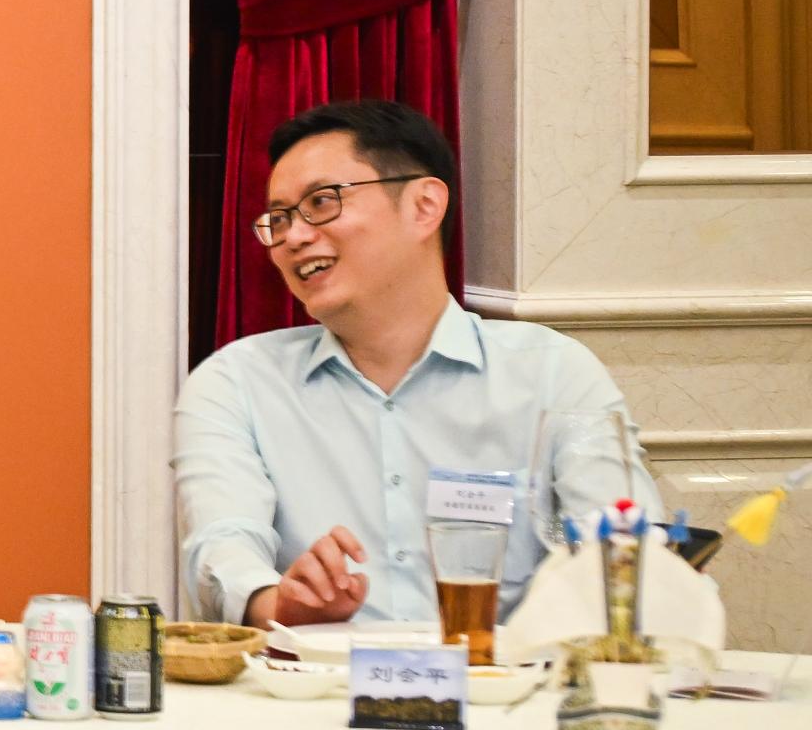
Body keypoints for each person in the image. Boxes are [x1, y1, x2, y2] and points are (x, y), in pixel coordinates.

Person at [174, 100, 652, 634]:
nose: (294, 237)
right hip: (316, 698)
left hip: (509, 695)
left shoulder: (552, 375)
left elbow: (628, 560)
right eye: (279, 218)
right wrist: (280, 604)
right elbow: (222, 547)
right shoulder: (238, 382)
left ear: (424, 206)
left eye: (321, 202)